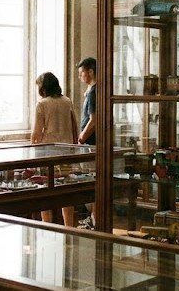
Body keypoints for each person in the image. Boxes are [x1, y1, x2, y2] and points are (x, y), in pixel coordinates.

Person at [31, 72, 79, 225]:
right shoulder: (67, 101)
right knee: (66, 190)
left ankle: (47, 226)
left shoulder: (42, 104)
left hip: (48, 153)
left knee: (46, 191)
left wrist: (33, 150)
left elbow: (36, 133)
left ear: (43, 87)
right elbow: (74, 125)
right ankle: (69, 226)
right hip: (67, 151)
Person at [76, 57, 97, 229]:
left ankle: (95, 218)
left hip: (91, 143)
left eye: (82, 73)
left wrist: (82, 137)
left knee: (91, 181)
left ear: (90, 72)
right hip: (91, 142)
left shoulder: (93, 92)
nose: (80, 76)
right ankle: (93, 218)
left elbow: (94, 120)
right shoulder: (92, 91)